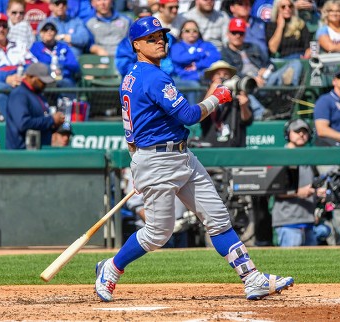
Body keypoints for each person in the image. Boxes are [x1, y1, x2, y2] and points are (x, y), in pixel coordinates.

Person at [94, 16, 294, 303]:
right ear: (136, 45)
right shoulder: (153, 77)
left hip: (177, 156)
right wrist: (219, 96)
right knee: (157, 234)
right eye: (151, 38)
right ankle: (111, 269)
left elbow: (131, 131)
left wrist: (136, 163)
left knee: (218, 218)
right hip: (158, 160)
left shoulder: (132, 75)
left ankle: (253, 278)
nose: (160, 40)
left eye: (161, 35)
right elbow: (188, 116)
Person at [272, 118, 331, 247]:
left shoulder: (310, 157)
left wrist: (318, 193)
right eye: (297, 131)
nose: (301, 134)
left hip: (309, 221)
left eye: (304, 131)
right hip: (288, 222)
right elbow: (274, 190)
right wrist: (299, 192)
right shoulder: (281, 156)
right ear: (288, 134)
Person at [5, 63, 65, 149]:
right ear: (30, 77)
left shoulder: (38, 95)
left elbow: (41, 120)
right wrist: (51, 120)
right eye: (42, 81)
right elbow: (23, 123)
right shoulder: (19, 95)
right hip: (21, 154)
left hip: (38, 151)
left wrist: (54, 124)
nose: (44, 84)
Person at [220, 18, 269, 120]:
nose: (237, 35)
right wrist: (252, 79)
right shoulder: (224, 53)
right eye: (234, 32)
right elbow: (230, 74)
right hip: (245, 83)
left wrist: (266, 69)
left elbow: (270, 63)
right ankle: (262, 114)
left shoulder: (253, 47)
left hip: (264, 79)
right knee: (242, 87)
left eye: (241, 33)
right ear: (228, 34)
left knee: (295, 64)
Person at [200, 60, 253, 147]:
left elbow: (247, 121)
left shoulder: (237, 95)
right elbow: (200, 114)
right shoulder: (205, 95)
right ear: (211, 78)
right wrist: (212, 91)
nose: (222, 77)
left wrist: (244, 106)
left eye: (226, 74)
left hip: (235, 148)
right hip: (210, 147)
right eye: (218, 74)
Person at [170, 20, 221, 104]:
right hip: (182, 78)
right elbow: (179, 58)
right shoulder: (177, 46)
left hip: (203, 77)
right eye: (187, 31)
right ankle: (193, 113)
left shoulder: (206, 45)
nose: (191, 33)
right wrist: (201, 53)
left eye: (195, 30)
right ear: (181, 33)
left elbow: (216, 57)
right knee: (194, 86)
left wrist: (197, 64)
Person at [265, 0, 310, 86]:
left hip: (299, 59)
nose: (287, 9)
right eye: (283, 7)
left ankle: (291, 89)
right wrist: (280, 26)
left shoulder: (300, 24)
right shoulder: (271, 25)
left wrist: (308, 53)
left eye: (290, 6)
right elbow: (273, 49)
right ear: (277, 9)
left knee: (296, 64)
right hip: (281, 61)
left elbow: (308, 46)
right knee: (273, 76)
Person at [31, 20, 80, 90]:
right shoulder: (35, 47)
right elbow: (32, 65)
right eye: (45, 29)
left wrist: (61, 67)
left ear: (56, 32)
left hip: (63, 79)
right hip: (43, 80)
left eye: (52, 29)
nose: (49, 31)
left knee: (67, 83)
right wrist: (49, 69)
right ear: (41, 33)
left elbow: (74, 65)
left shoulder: (63, 47)